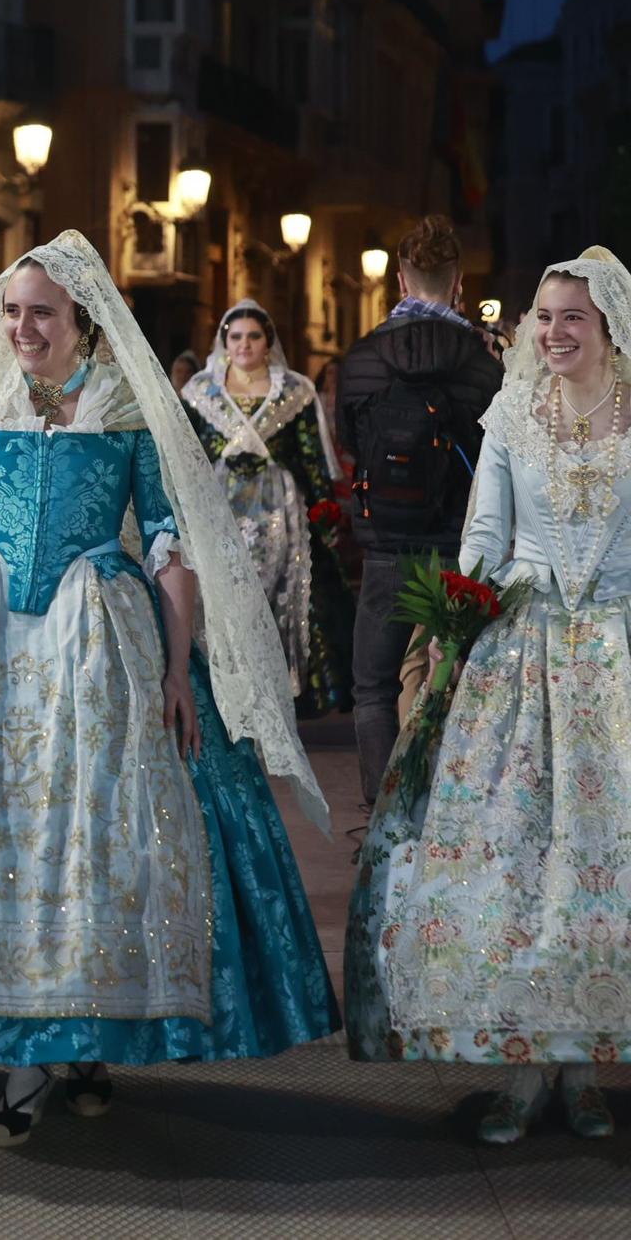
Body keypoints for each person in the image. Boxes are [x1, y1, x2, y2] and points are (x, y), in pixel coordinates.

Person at [0, 231, 338, 1147]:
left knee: (92, 841)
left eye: (41, 311)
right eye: (10, 311)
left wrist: (174, 667)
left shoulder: (127, 405)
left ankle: (73, 1044)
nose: (23, 327)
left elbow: (167, 542)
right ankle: (32, 1051)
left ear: (81, 316)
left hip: (99, 640)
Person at [346, 246, 631, 1145]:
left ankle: (585, 1068)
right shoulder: (510, 412)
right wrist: (461, 624)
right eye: (544, 316)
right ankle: (520, 1067)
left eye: (571, 317)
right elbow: (482, 534)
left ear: (609, 327)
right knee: (515, 858)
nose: (552, 332)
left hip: (618, 656)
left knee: (599, 868)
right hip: (523, 651)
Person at [336, 216, 504, 810]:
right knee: (454, 681)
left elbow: (350, 440)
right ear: (458, 281)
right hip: (459, 544)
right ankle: (448, 817)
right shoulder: (485, 364)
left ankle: (384, 826)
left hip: (385, 542)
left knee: (375, 687)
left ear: (402, 278)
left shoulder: (361, 357)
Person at [182, 301, 353, 715]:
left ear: (268, 341)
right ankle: (226, 685)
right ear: (224, 341)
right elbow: (187, 454)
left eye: (253, 336)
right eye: (236, 336)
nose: (244, 344)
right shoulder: (200, 392)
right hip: (220, 511)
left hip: (281, 511)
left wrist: (323, 508)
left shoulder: (294, 390)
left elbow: (311, 454)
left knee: (289, 589)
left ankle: (291, 687)